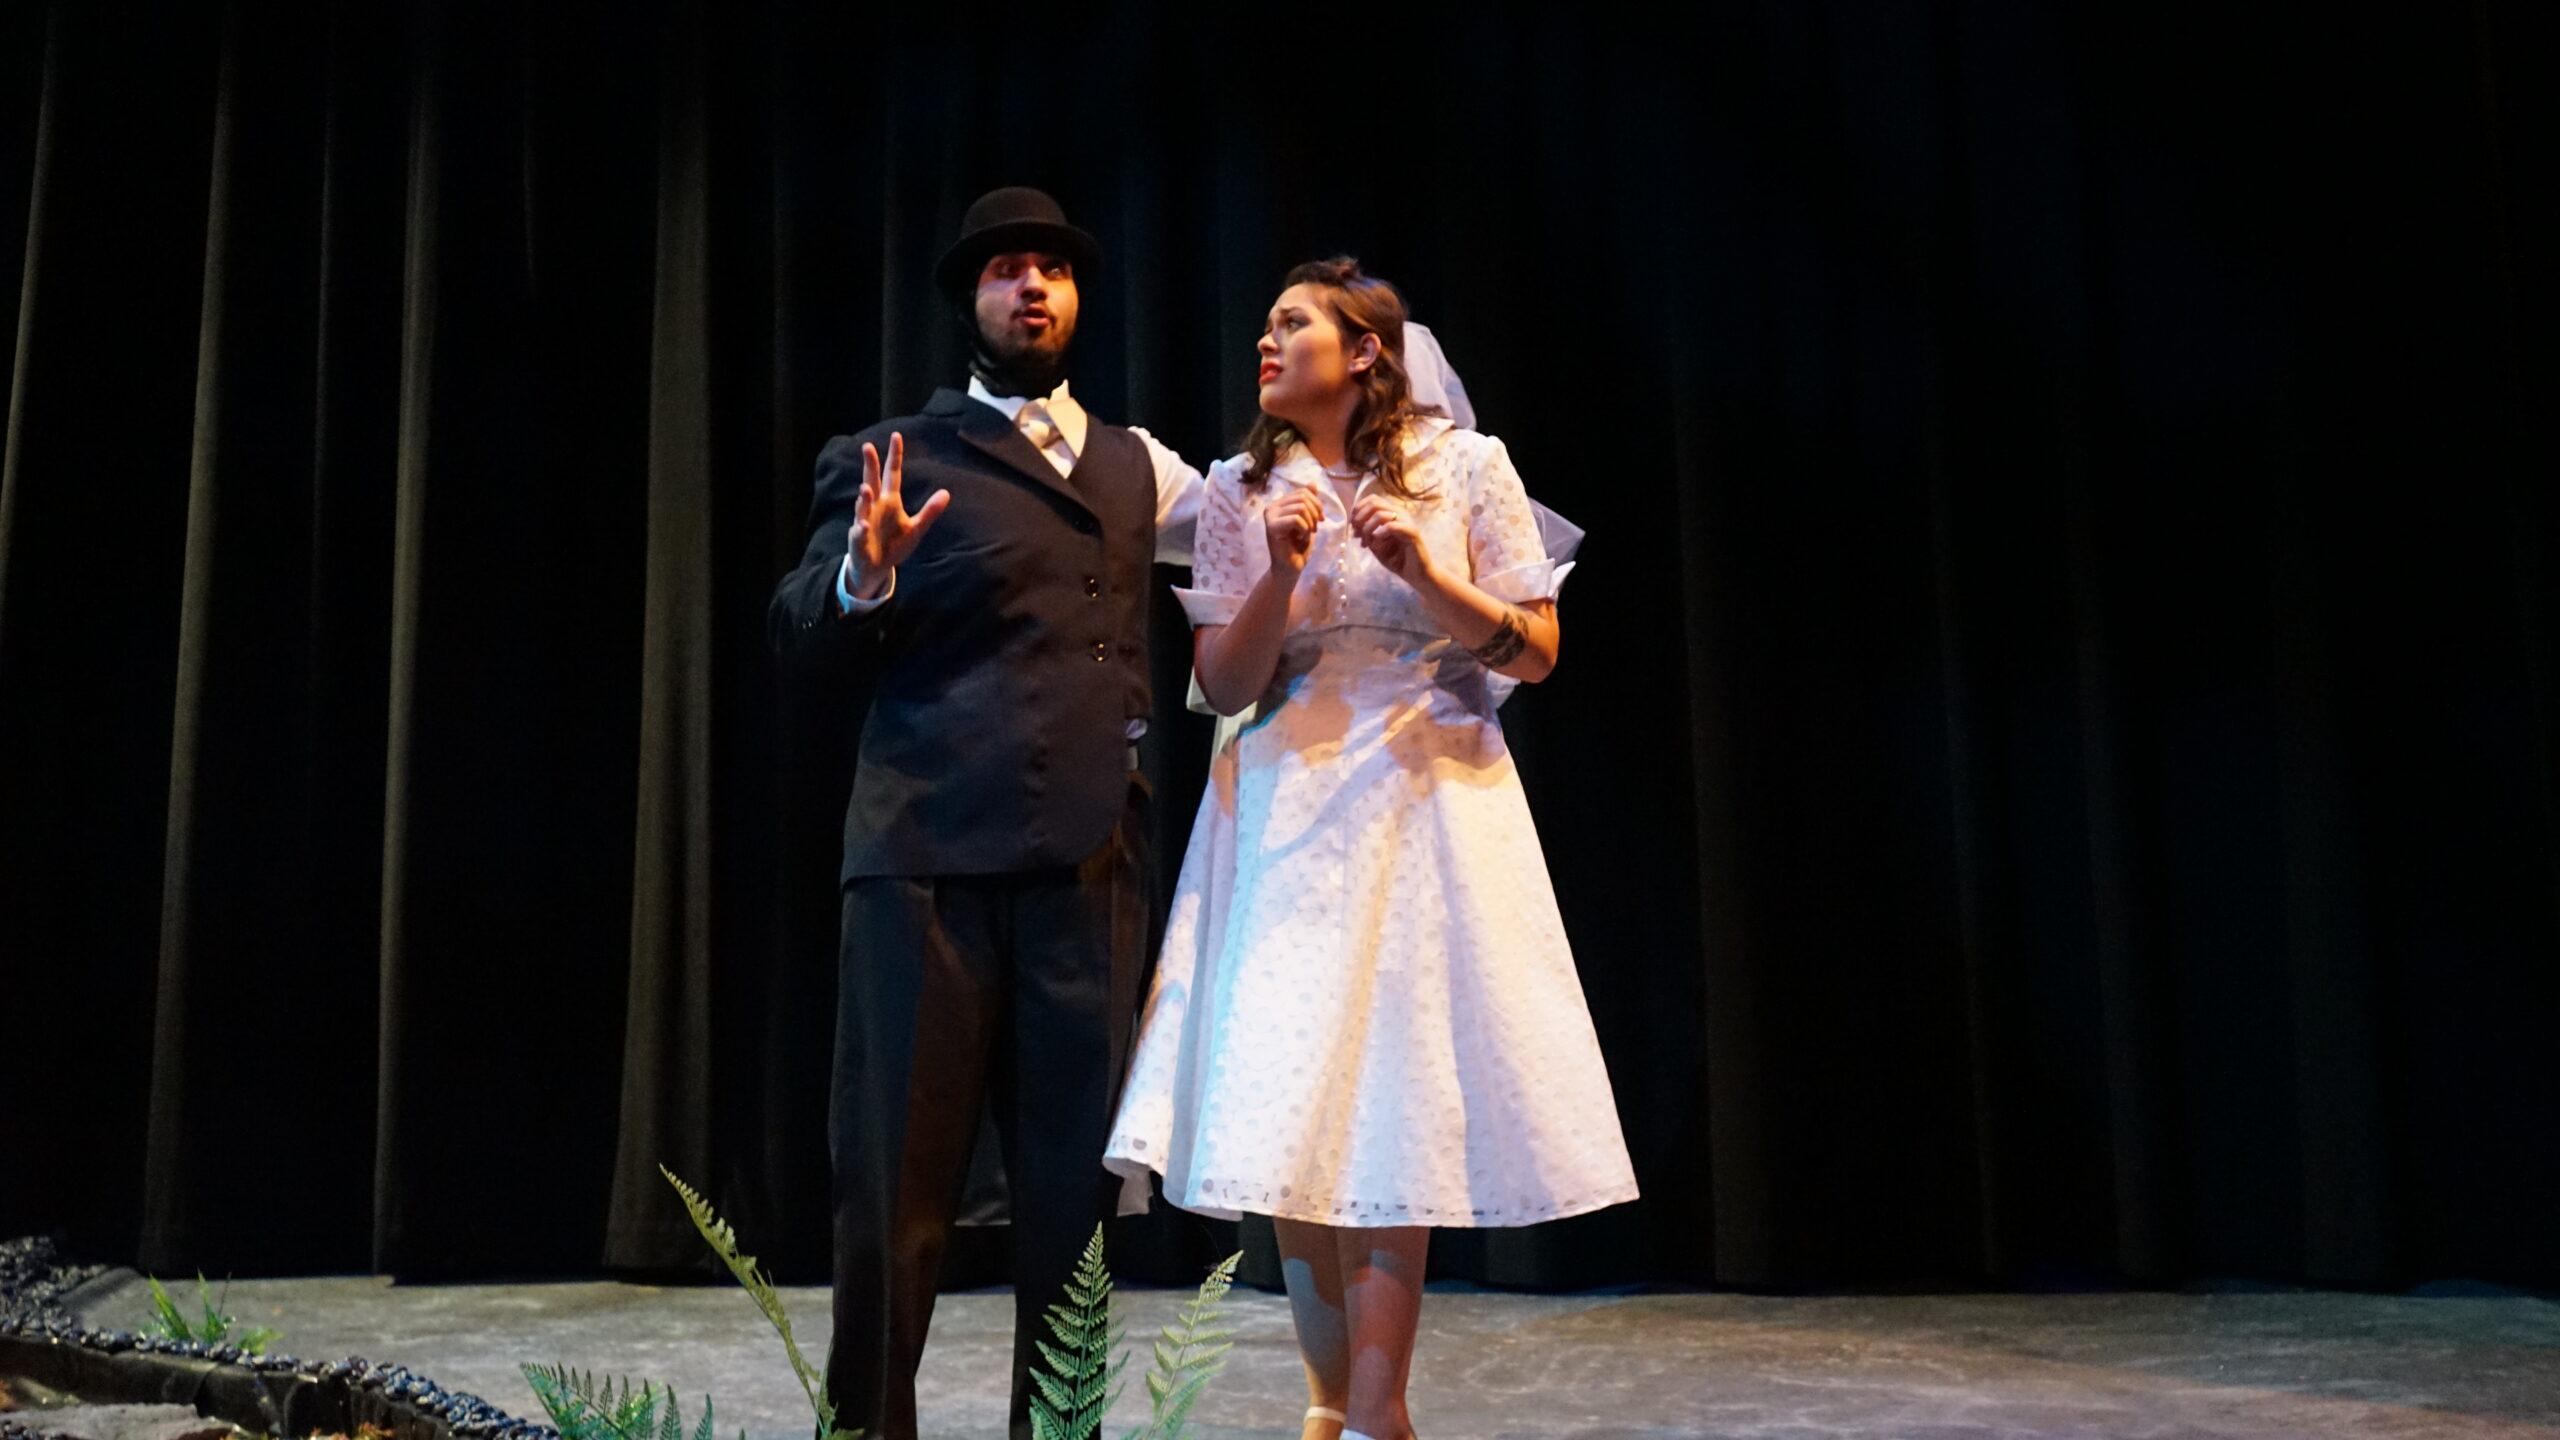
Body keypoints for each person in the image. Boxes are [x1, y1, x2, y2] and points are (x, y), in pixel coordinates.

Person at [1103, 258, 1639, 1440]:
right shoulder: (1245, 488)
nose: (1265, 339)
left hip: (1422, 795)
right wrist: (1282, 574)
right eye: (1263, 324)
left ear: (1364, 354)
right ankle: (1332, 1402)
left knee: (1391, 1093)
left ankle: (1379, 1407)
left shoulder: (1465, 468)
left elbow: (1535, 649)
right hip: (1282, 801)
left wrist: (1426, 574)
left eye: (1292, 322)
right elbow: (1223, 683)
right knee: (1293, 1096)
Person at [767, 186, 1202, 1440]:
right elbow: (795, 632)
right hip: (925, 869)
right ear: (970, 300)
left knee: (1073, 1210)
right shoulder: (890, 455)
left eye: (1051, 269)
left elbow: (1263, 529)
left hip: (1088, 870)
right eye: (1006, 270)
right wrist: (864, 573)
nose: (1032, 288)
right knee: (893, 1195)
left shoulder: (1137, 465)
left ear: (1077, 297)